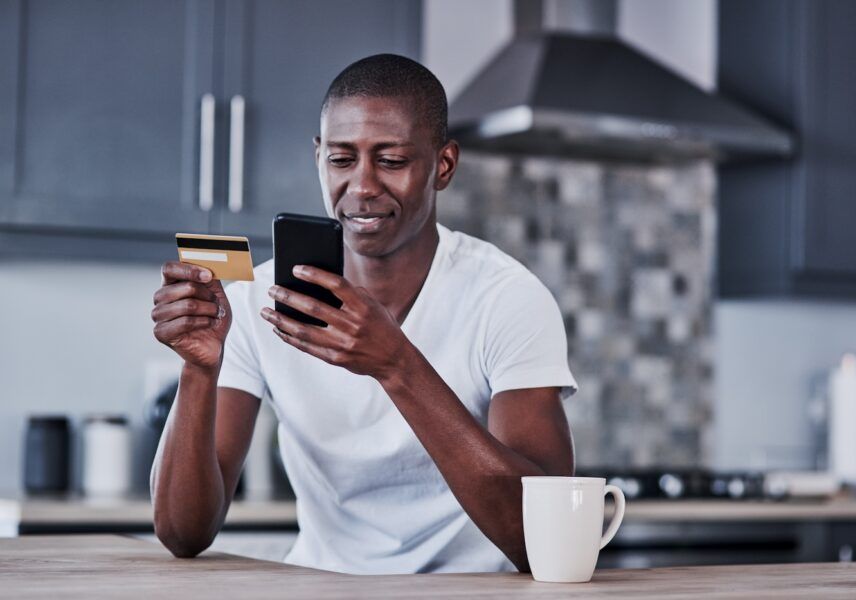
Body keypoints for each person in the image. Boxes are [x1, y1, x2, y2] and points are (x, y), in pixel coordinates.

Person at [149, 54, 577, 575]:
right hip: (323, 586)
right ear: (319, 158)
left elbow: (547, 543)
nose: (363, 187)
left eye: (392, 160)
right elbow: (182, 534)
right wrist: (197, 371)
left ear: (443, 165)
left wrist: (396, 364)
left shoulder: (507, 298)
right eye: (341, 159)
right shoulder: (254, 300)